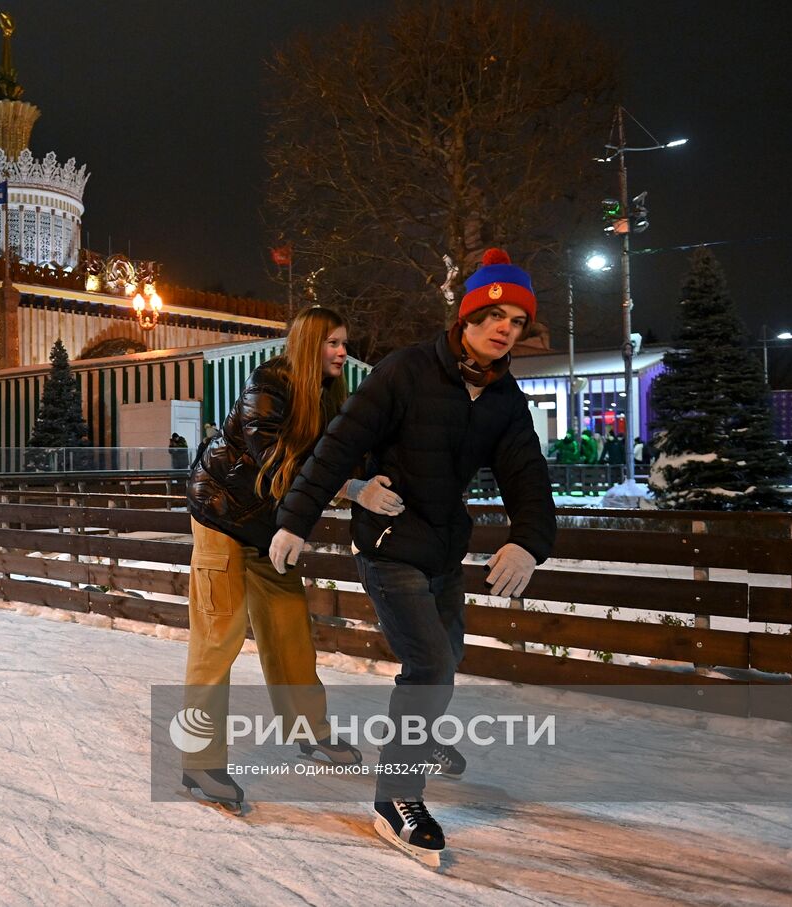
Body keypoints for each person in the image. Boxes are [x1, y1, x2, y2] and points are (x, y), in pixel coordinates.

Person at [268, 248, 557, 867]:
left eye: (517, 320)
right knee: (430, 665)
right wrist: (297, 519)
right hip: (389, 541)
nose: (505, 328)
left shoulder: (505, 400)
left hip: (444, 549)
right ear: (468, 317)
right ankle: (396, 799)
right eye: (494, 315)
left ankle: (414, 741)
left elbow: (527, 476)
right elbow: (339, 446)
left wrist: (529, 539)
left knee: (446, 657)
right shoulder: (405, 371)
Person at [181, 305, 403, 813]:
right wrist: (351, 488)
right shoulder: (269, 386)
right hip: (221, 516)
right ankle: (199, 761)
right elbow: (277, 456)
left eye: (345, 343)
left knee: (289, 630)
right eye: (333, 344)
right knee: (220, 635)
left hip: (271, 530)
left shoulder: (331, 397)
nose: (343, 353)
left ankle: (310, 730)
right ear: (308, 345)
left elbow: (350, 453)